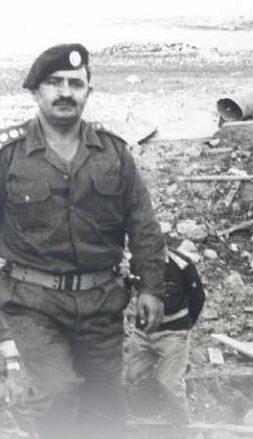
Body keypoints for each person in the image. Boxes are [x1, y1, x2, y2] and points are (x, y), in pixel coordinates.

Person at [0, 43, 166, 439]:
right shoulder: (9, 155)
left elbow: (142, 223)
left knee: (106, 408)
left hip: (101, 304)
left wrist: (152, 287)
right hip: (32, 304)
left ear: (88, 91)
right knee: (57, 392)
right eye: (54, 83)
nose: (65, 92)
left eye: (75, 84)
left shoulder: (113, 153)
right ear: (36, 91)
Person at [126, 247, 205, 430]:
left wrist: (185, 325)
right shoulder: (136, 261)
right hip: (143, 333)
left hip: (173, 333)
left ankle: (183, 427)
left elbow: (198, 297)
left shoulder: (182, 264)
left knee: (169, 383)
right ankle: (151, 412)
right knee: (133, 375)